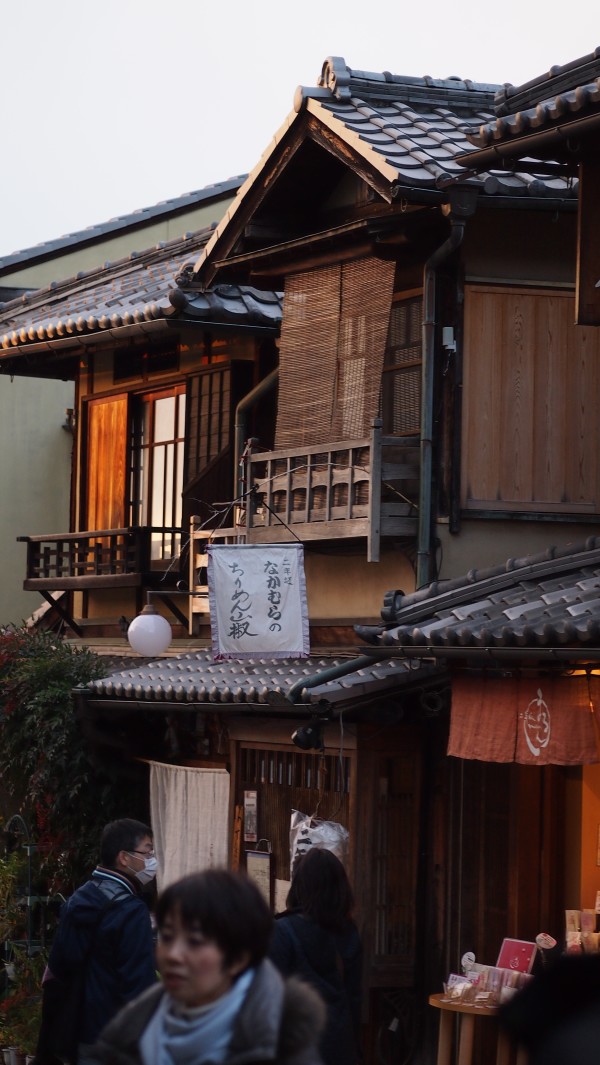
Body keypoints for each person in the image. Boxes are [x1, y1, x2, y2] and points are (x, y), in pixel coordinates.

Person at [89, 868, 326, 1065]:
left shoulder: (284, 1045)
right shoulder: (130, 1031)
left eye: (194, 941)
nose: (173, 955)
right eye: (168, 936)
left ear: (238, 958)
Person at [37, 818, 158, 1064]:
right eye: (147, 851)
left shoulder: (80, 898)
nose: (152, 859)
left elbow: (61, 966)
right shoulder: (130, 911)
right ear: (124, 858)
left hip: (80, 1030)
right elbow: (138, 985)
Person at [269, 847, 363, 1065]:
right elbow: (354, 997)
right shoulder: (348, 930)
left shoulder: (281, 931)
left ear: (299, 886)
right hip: (340, 1045)